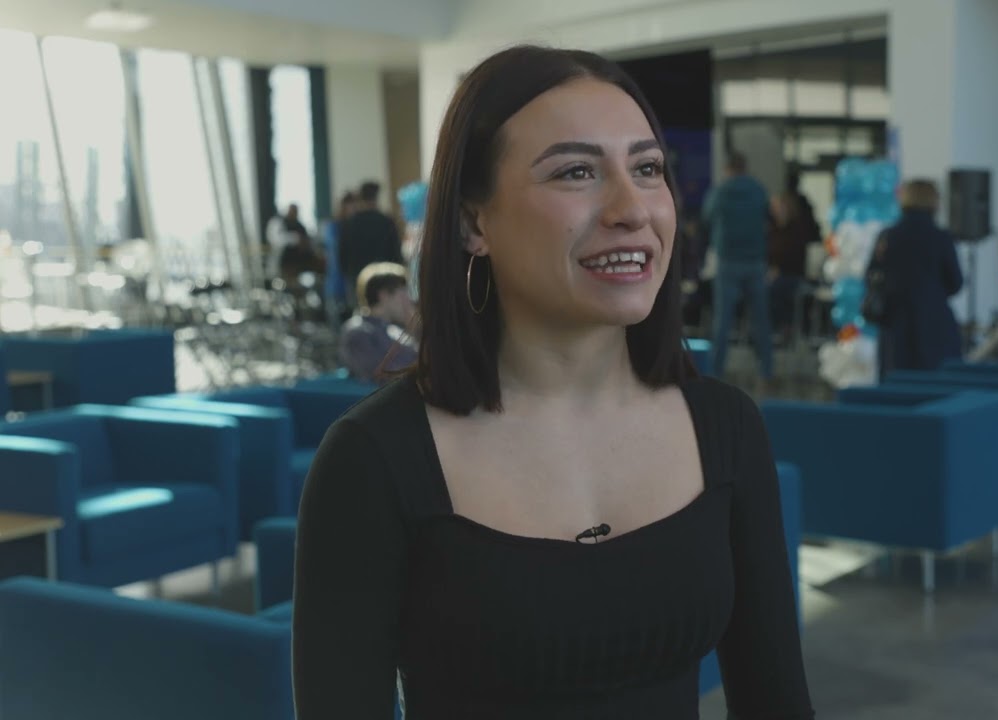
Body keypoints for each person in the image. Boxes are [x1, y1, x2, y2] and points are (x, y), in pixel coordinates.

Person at [292, 45, 813, 719]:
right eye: (576, 172)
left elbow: (777, 703)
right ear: (472, 222)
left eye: (648, 168)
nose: (633, 208)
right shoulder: (375, 459)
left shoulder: (725, 427)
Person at [864, 179, 964, 379]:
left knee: (896, 391)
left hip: (895, 326)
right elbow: (955, 283)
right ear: (934, 202)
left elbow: (871, 277)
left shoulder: (887, 237)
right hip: (934, 326)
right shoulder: (940, 238)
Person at [703, 152, 774, 382]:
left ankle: (716, 371)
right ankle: (766, 370)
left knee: (723, 320)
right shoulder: (758, 190)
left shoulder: (721, 191)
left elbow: (707, 216)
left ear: (729, 169)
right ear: (745, 168)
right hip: (755, 260)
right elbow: (769, 219)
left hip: (728, 261)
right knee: (761, 319)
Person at [337, 262, 417, 383]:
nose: (408, 301)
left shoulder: (395, 330)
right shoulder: (357, 331)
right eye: (402, 294)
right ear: (384, 295)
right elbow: (380, 374)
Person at [768, 172, 822, 337]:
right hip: (776, 274)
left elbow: (794, 256)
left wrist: (778, 268)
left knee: (776, 289)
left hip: (793, 275)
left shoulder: (797, 230)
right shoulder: (772, 230)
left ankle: (785, 328)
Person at [338, 180, 404, 299]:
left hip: (357, 279)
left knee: (360, 314)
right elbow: (396, 254)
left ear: (361, 198)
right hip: (383, 280)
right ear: (376, 197)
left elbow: (343, 255)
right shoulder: (386, 222)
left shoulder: (349, 224)